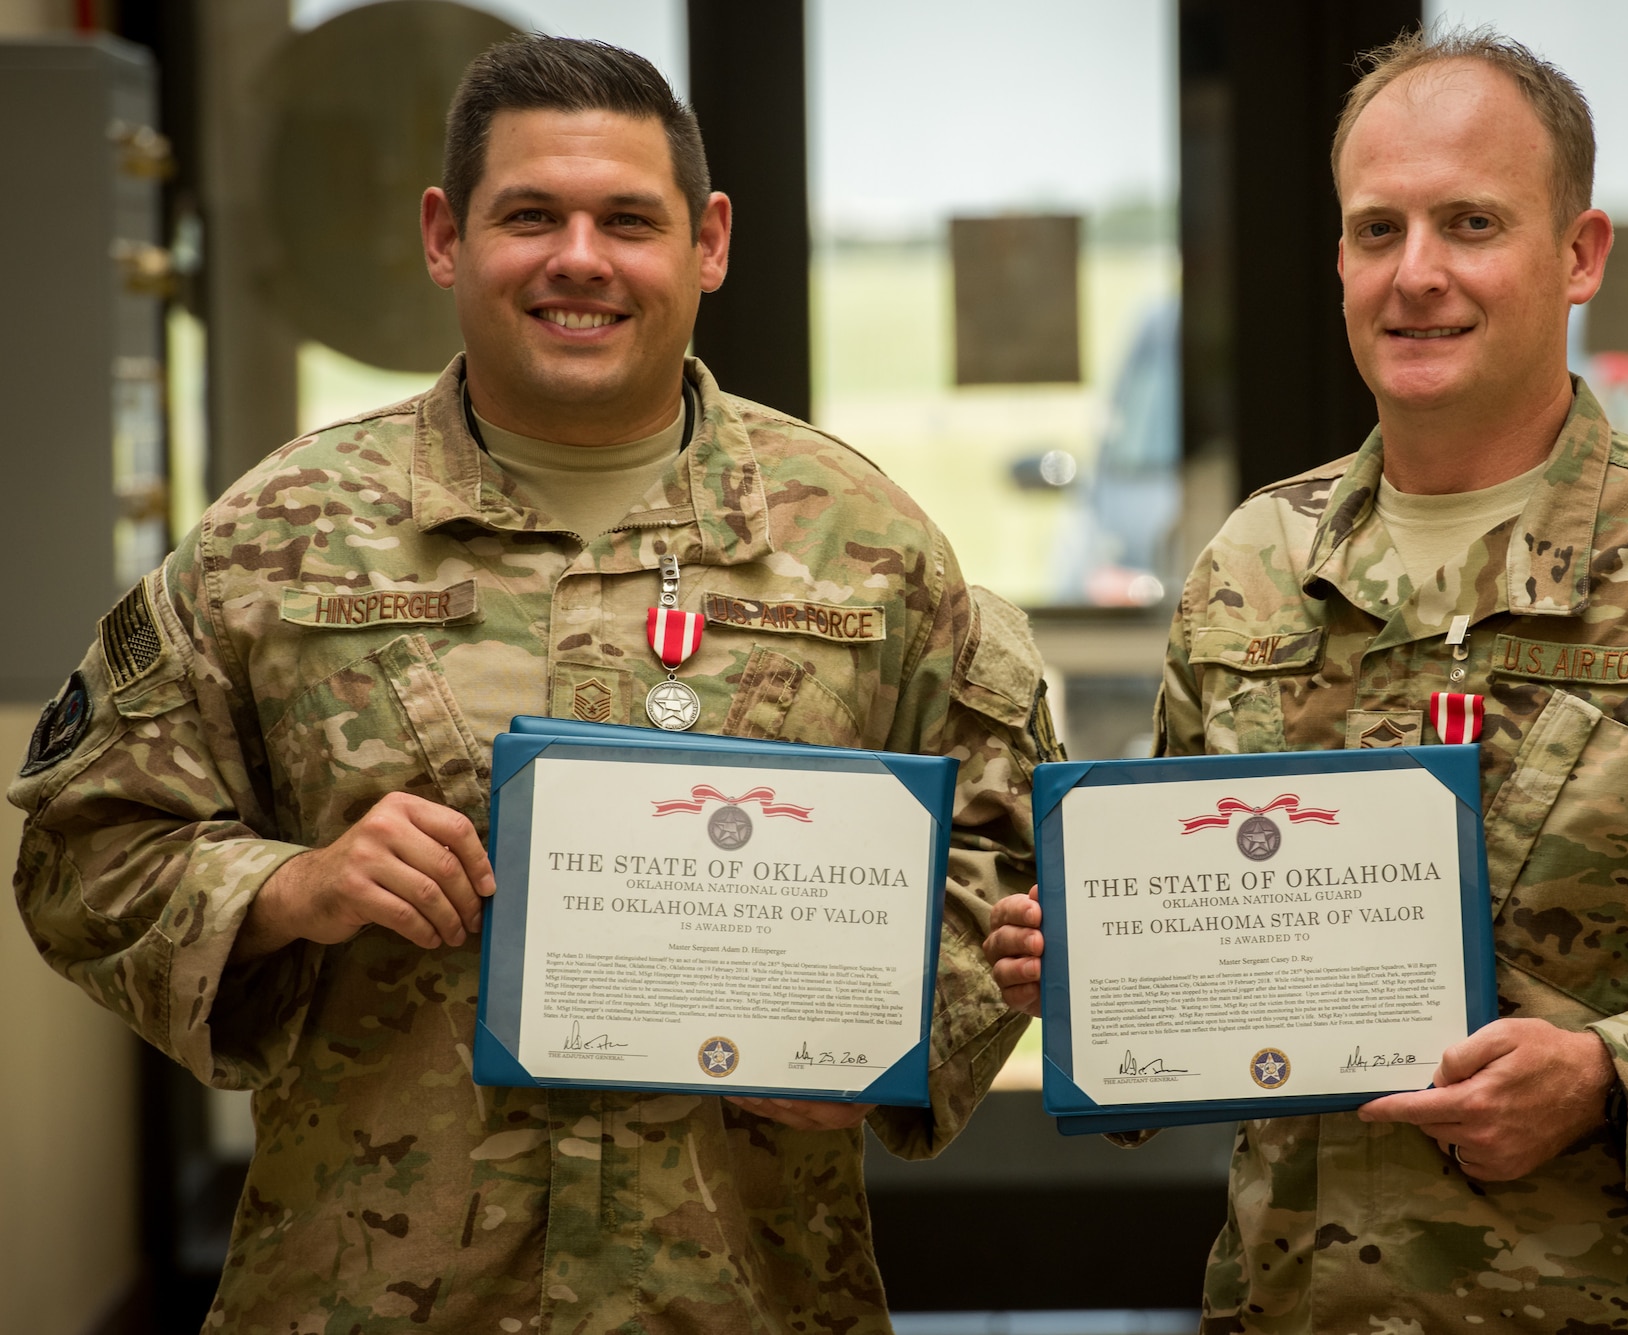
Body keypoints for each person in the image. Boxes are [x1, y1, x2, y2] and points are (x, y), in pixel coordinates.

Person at [13, 36, 1054, 1332]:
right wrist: (291, 885)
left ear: (709, 242)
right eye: (530, 216)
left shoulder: (870, 547)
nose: (579, 258)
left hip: (742, 1298)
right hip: (373, 1299)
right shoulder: (281, 533)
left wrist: (888, 1042)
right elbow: (80, 851)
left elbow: (1008, 862)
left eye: (627, 218)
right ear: (447, 236)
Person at [984, 29, 1628, 1332]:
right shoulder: (1255, 567)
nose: (1419, 274)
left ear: (1580, 255)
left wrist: (1614, 1077)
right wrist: (1100, 967)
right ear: (1338, 258)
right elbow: (1216, 943)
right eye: (1377, 228)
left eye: (1470, 222)